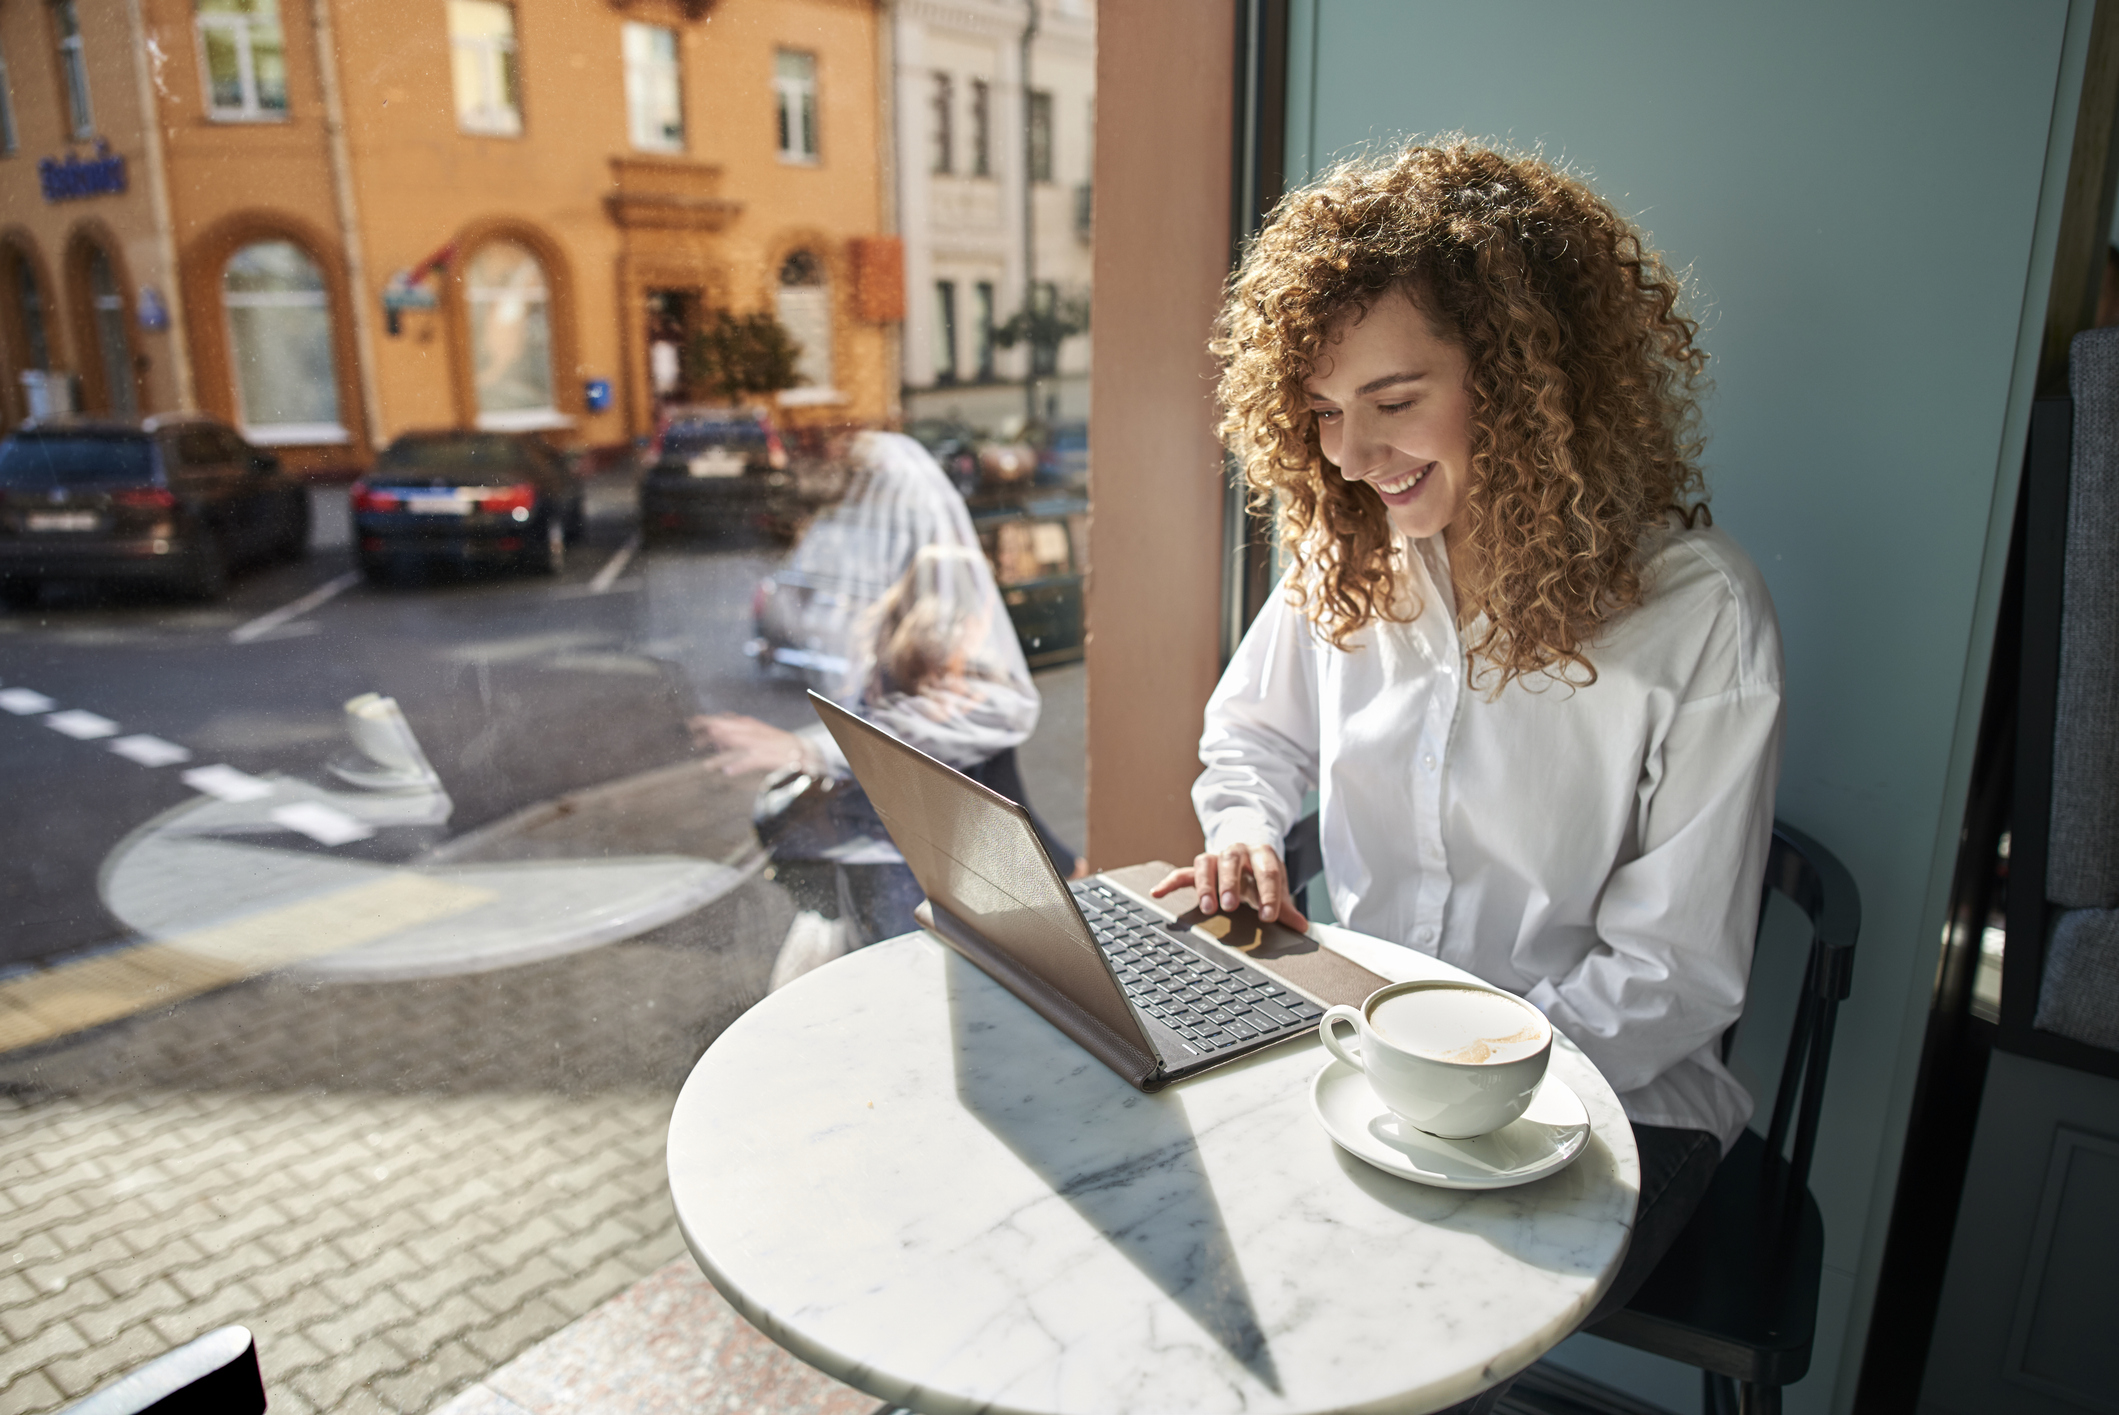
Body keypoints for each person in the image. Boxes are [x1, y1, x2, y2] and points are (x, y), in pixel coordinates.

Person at [1152, 138, 1784, 1387]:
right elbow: (1254, 736)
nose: (1346, 456)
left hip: (1612, 1096)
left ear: (1524, 377)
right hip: (1374, 1053)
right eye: (1323, 414)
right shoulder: (1350, 559)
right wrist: (1241, 823)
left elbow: (1677, 974)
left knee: (1355, 1322)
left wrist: (1444, 1071)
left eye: (1392, 401)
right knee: (1196, 1229)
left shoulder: (1698, 614)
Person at [696, 430, 1080, 954]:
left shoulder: (927, 657)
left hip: (938, 898)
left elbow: (987, 747)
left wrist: (813, 751)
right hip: (934, 896)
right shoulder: (902, 641)